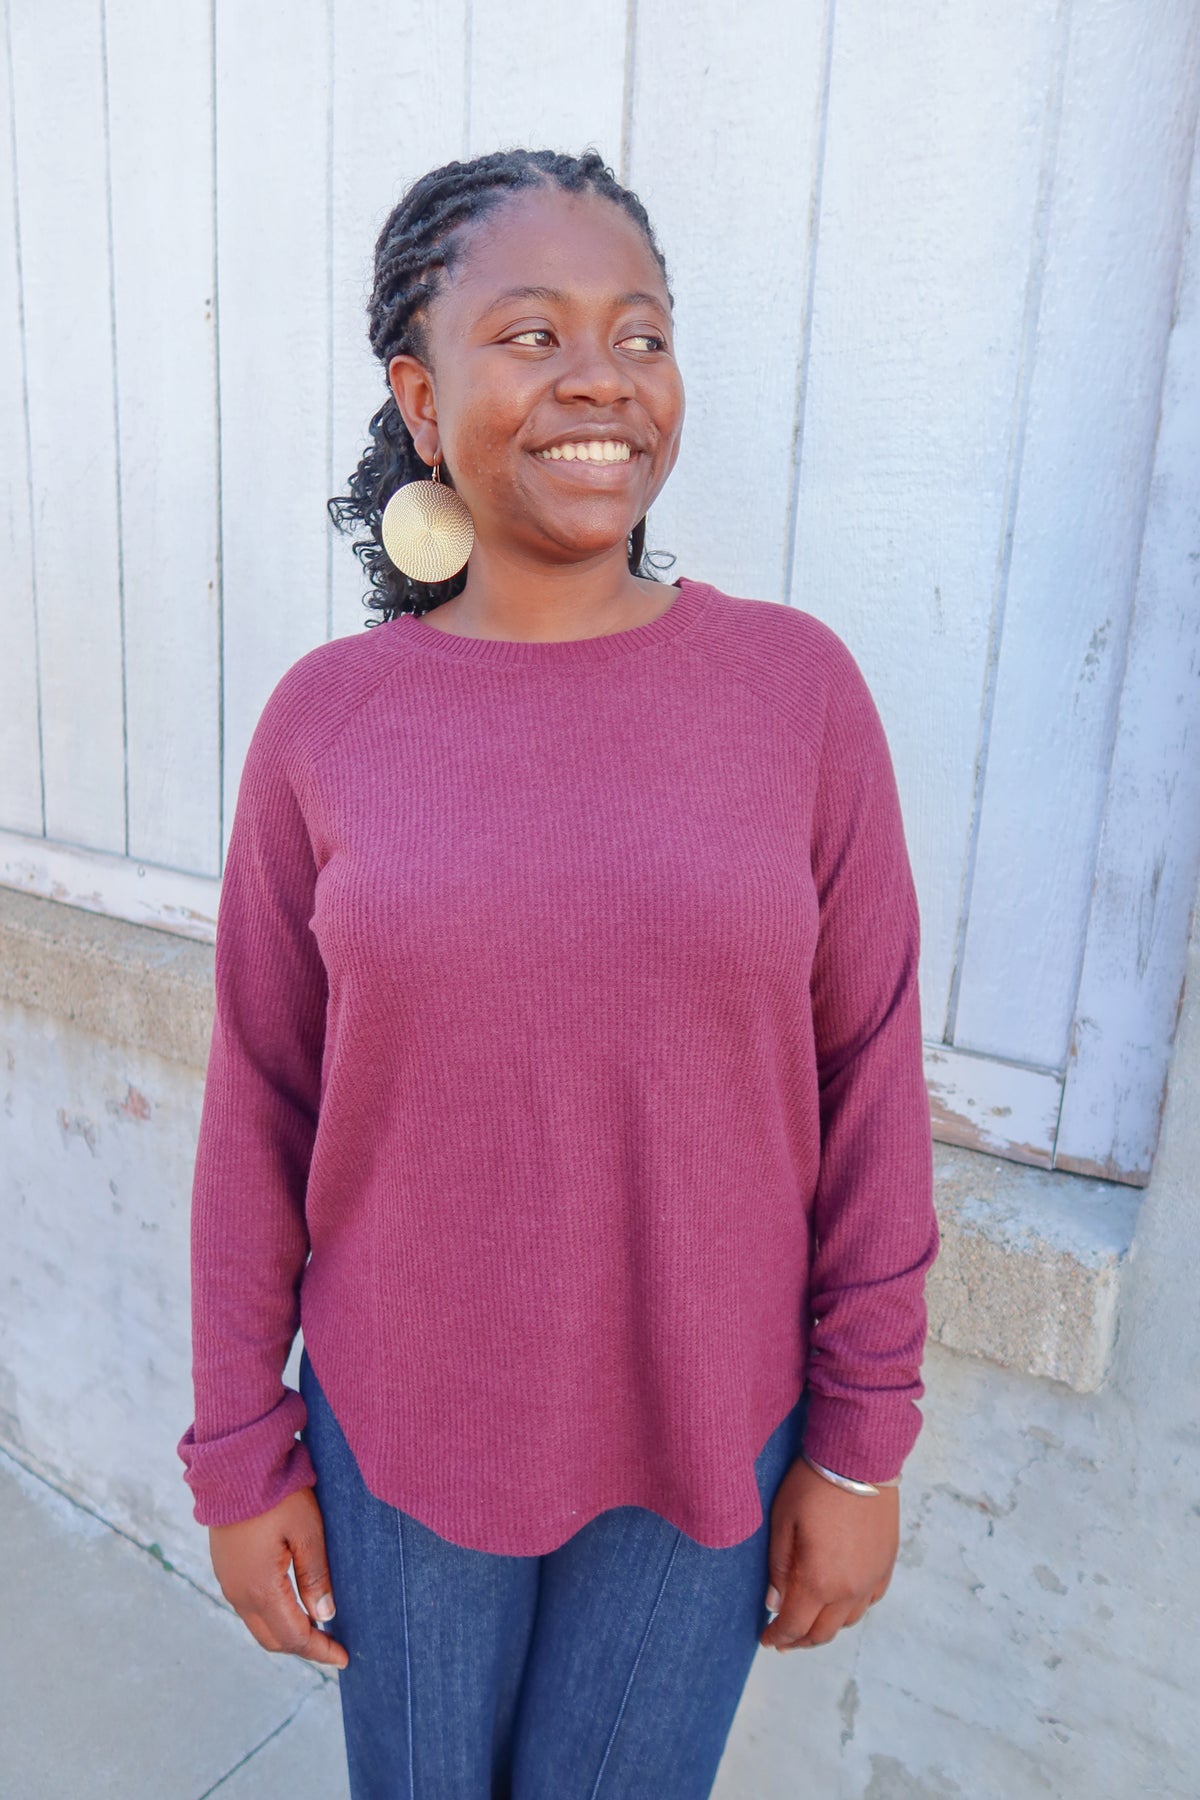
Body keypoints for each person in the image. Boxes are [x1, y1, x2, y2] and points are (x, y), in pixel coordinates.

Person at [177, 147, 939, 1799]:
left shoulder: (796, 695)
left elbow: (871, 1076)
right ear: (421, 398)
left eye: (640, 334)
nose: (602, 376)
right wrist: (240, 1449)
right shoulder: (328, 723)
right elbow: (260, 1105)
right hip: (401, 1438)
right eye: (532, 334)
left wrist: (863, 1443)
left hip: (709, 1435)